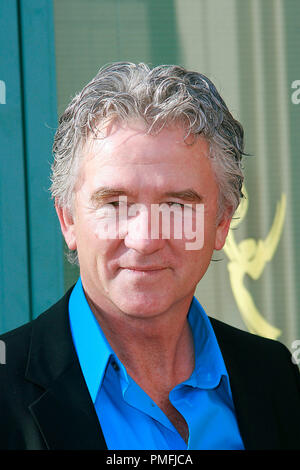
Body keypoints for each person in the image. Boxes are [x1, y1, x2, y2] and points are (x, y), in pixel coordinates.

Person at [0, 62, 300, 450]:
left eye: (176, 205)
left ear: (222, 222)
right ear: (68, 220)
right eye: (115, 204)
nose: (144, 240)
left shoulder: (275, 378)